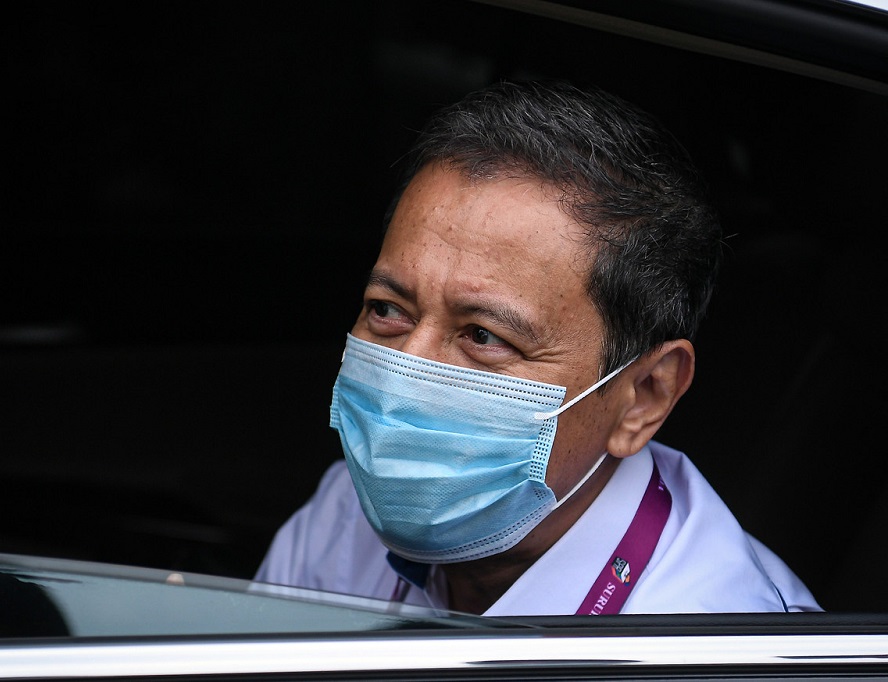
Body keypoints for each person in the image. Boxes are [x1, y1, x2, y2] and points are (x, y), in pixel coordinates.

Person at [254, 80, 820, 615]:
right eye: (388, 310)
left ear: (644, 396)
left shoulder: (721, 644)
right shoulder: (347, 515)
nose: (405, 370)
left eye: (484, 336)